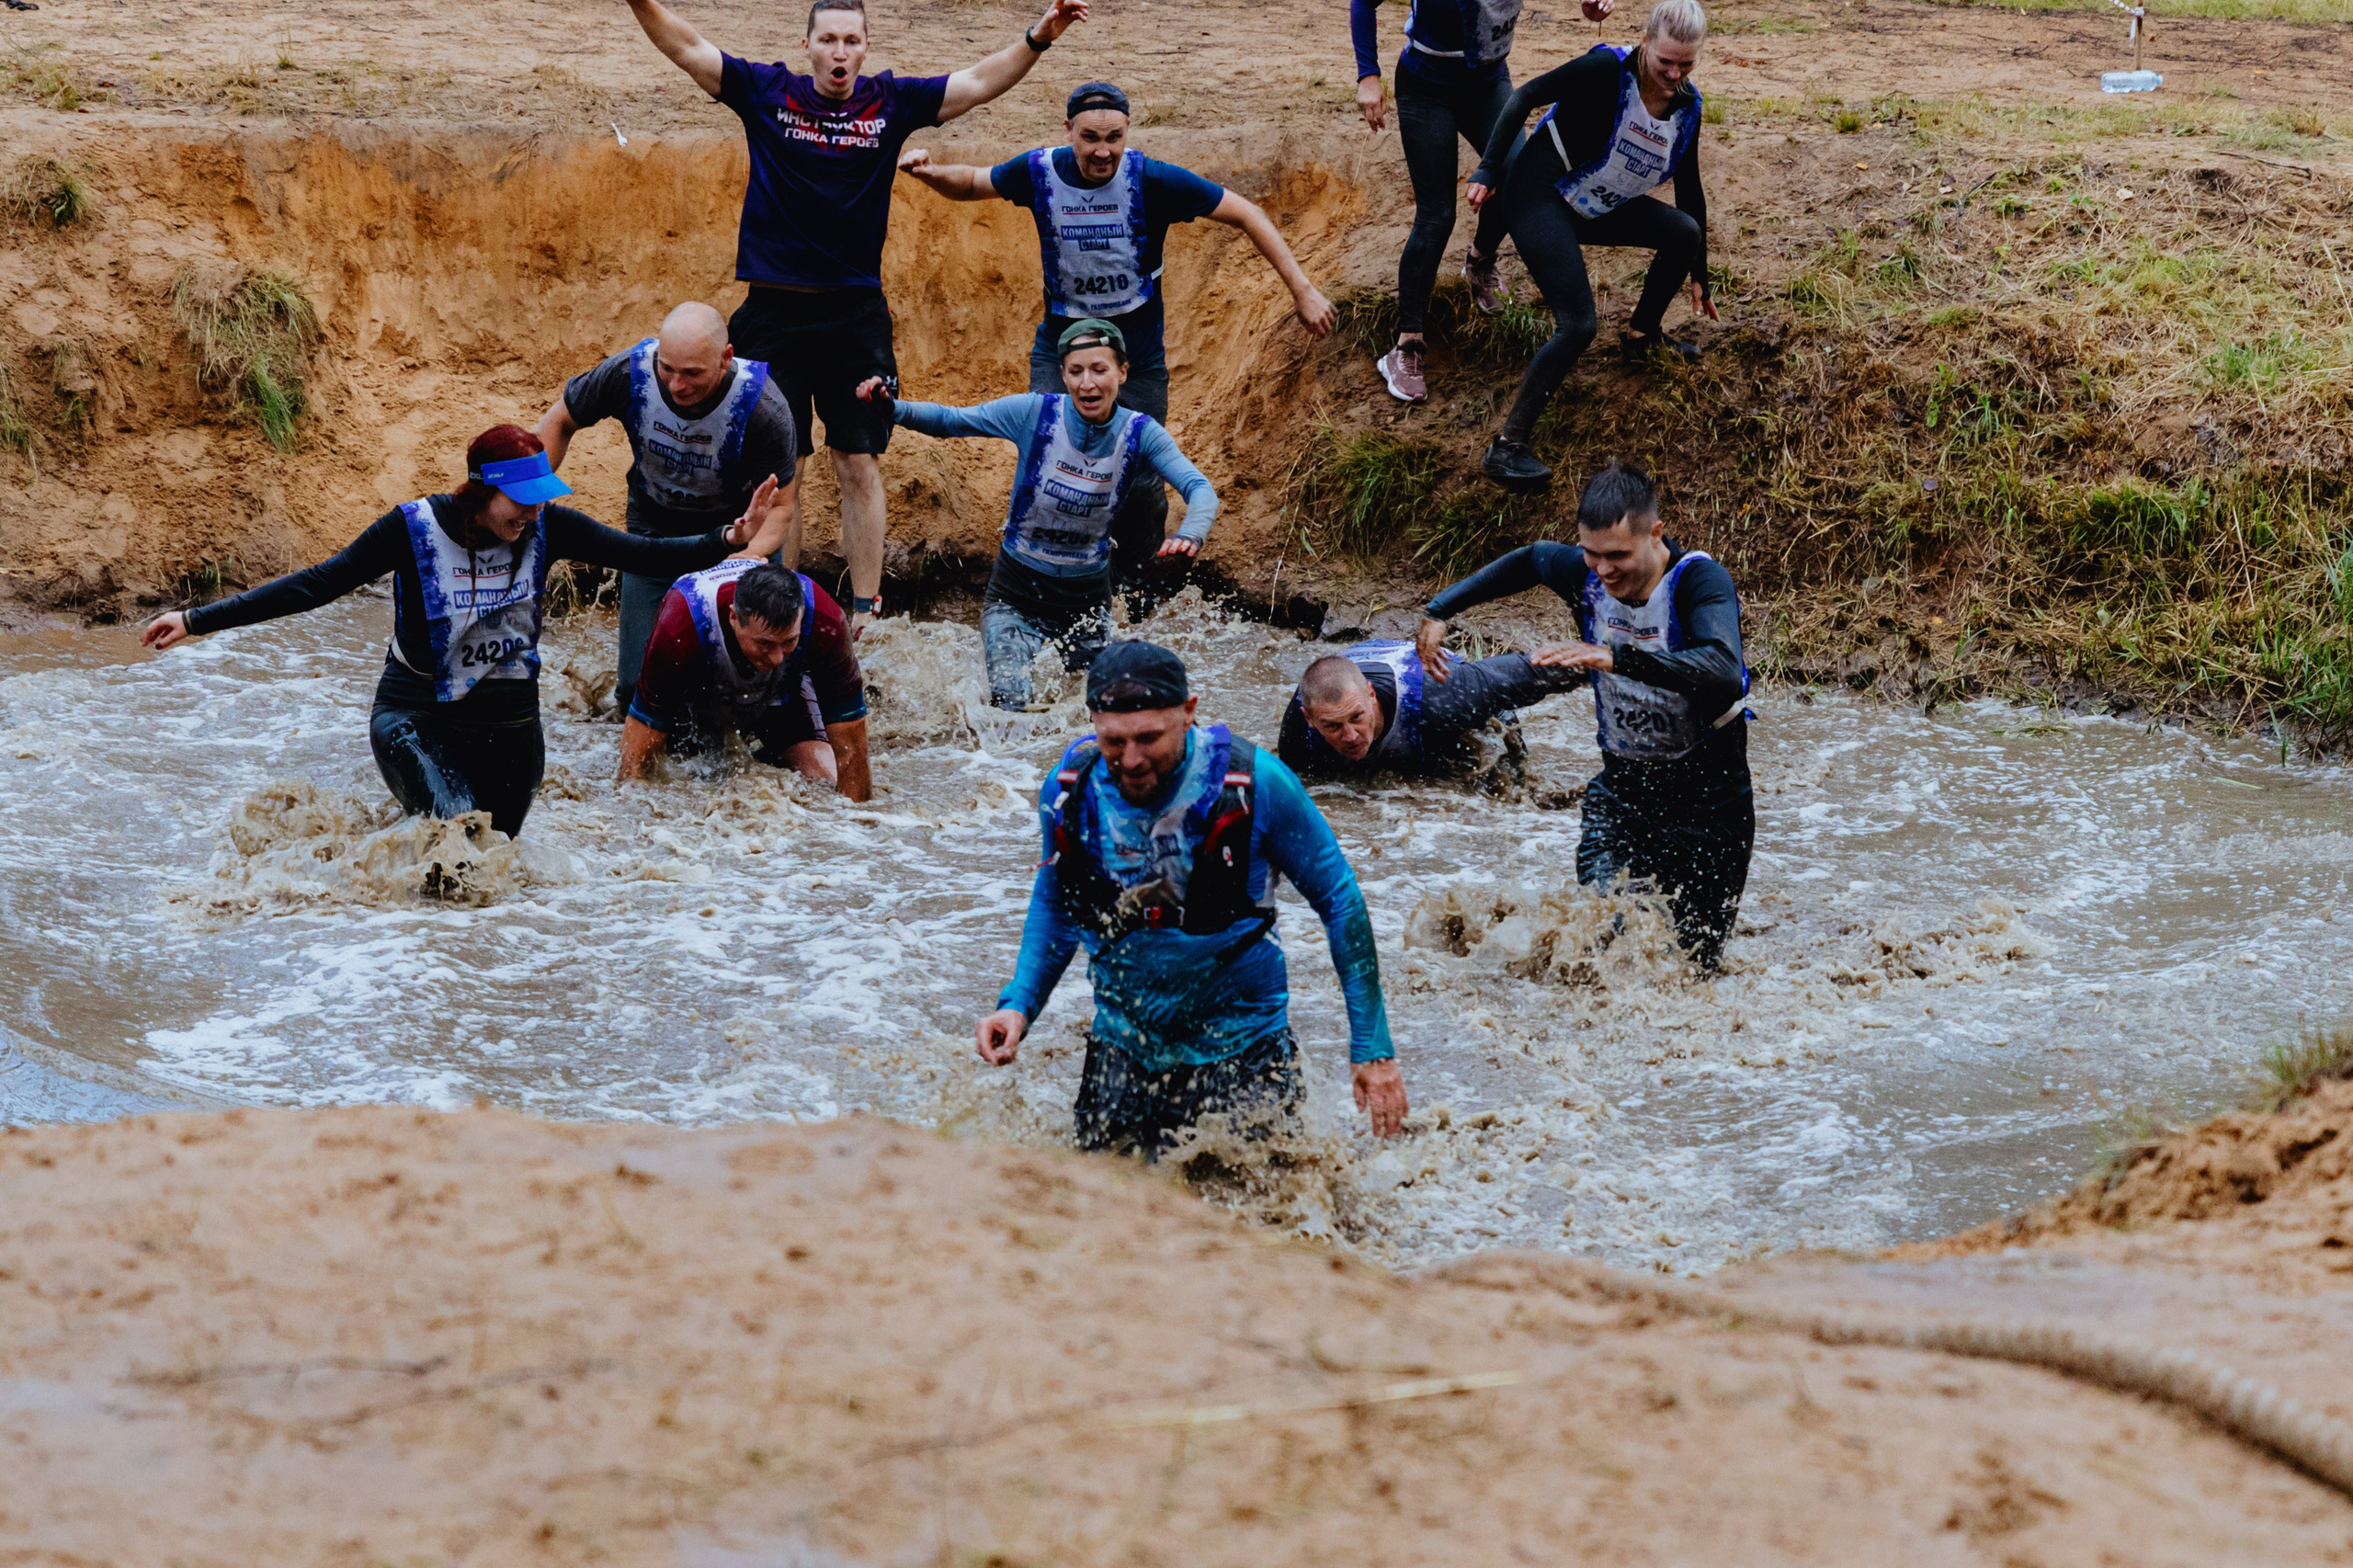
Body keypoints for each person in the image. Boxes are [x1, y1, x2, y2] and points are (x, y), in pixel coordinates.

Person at [622, 0, 1090, 637]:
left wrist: (1041, 35)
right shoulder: (768, 92)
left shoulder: (890, 102)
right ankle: (773, 601)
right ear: (809, 46)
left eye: (851, 40)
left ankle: (867, 611)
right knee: (780, 468)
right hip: (774, 311)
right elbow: (687, 48)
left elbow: (978, 83)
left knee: (857, 458)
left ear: (865, 49)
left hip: (856, 315)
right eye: (829, 40)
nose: (840, 52)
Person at [139, 426, 757, 839]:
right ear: (481, 491)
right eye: (521, 502)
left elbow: (644, 554)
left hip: (513, 733)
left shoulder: (550, 528)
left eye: (541, 501)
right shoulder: (411, 529)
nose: (531, 515)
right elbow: (317, 584)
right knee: (459, 842)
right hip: (416, 716)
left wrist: (727, 538)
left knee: (496, 870)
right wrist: (196, 620)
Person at [895, 80, 1332, 607]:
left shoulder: (1151, 180)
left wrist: (1303, 291)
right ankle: (1049, 582)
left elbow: (1245, 212)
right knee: (1054, 462)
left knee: (1144, 480)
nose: (1102, 151)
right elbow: (971, 182)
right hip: (1061, 352)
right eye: (1090, 138)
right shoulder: (1038, 172)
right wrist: (929, 172)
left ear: (1128, 132)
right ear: (1068, 133)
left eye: (1114, 137)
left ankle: (1138, 591)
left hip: (1139, 360)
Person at [975, 642, 1407, 1158]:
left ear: (1189, 713)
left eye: (1149, 738)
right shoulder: (1071, 789)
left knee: (1263, 1223)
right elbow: (1057, 902)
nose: (1130, 760)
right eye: (1113, 740)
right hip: (1124, 1047)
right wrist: (1019, 1005)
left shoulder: (1255, 783)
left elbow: (1339, 900)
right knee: (1100, 1213)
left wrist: (1372, 1049)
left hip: (1246, 1048)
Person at [1416, 460, 1752, 969]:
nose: (1604, 570)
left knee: (1692, 968)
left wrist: (1618, 658)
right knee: (1603, 942)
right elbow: (1530, 560)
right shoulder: (1587, 575)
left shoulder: (1698, 582)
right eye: (1592, 555)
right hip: (1623, 797)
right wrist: (1440, 609)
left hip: (1709, 806)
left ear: (1655, 533)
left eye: (1617, 555)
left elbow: (1724, 668)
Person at [851, 317, 1218, 710]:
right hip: (1016, 594)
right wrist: (892, 408)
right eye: (1075, 372)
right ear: (1062, 373)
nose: (1087, 384)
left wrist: (1191, 533)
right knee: (1010, 707)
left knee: (1098, 709)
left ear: (1122, 373)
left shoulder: (1141, 432)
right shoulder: (1034, 412)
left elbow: (1200, 489)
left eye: (1100, 370)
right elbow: (951, 420)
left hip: (1088, 600)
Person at [1465, 0, 1716, 492]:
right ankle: (1507, 447)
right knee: (1578, 323)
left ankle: (1641, 338)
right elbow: (1524, 98)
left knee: (1683, 231)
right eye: (1665, 61)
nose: (1673, 73)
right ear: (1645, 42)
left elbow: (1691, 189)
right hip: (1537, 194)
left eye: (1685, 64)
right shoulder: (1607, 68)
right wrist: (1490, 168)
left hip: (1591, 202)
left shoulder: (1687, 107)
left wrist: (1700, 273)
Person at [534, 301, 799, 716]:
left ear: (726, 358)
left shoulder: (763, 406)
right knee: (635, 688)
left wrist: (745, 557)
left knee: (756, 689)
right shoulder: (630, 373)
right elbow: (559, 419)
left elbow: (782, 507)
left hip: (738, 533)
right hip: (653, 528)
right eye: (668, 368)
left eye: (693, 373)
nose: (676, 385)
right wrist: (527, 499)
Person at [1352, 0, 1614, 403]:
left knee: (1518, 177)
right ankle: (1407, 344)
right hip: (1426, 89)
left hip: (1489, 86)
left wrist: (1591, 5)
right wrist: (1369, 75)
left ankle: (1480, 261)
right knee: (1437, 216)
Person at [618, 558, 872, 801]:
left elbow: (851, 743)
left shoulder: (826, 621)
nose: (776, 658)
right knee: (678, 775)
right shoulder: (682, 624)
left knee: (824, 777)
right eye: (765, 643)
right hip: (697, 693)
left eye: (789, 641)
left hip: (782, 691)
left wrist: (855, 827)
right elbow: (640, 744)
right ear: (733, 618)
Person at [1279, 638, 1582, 778]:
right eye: (1333, 726)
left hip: (1431, 686)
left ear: (1370, 694)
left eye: (1356, 718)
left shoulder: (1440, 696)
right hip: (1348, 668)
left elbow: (1527, 674)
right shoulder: (1297, 732)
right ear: (1310, 719)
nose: (1350, 736)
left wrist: (1612, 661)